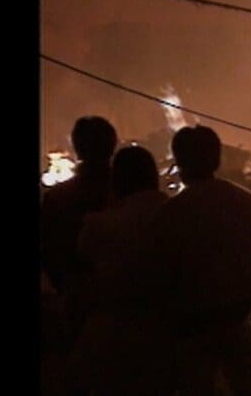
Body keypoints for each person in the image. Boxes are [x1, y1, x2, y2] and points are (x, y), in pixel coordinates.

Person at [154, 125, 251, 395]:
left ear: (178, 161)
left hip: (192, 321)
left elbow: (160, 269)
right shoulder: (243, 201)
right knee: (244, 383)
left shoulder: (172, 212)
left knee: (198, 385)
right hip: (237, 313)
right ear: (217, 159)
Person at [66, 145, 173, 395]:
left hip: (112, 327)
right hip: (165, 325)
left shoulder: (101, 223)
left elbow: (82, 261)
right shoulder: (177, 215)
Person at [41, 116, 118, 352]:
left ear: (77, 147)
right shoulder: (128, 192)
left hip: (76, 298)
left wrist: (65, 285)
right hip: (126, 300)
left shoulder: (57, 197)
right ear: (113, 145)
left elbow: (48, 250)